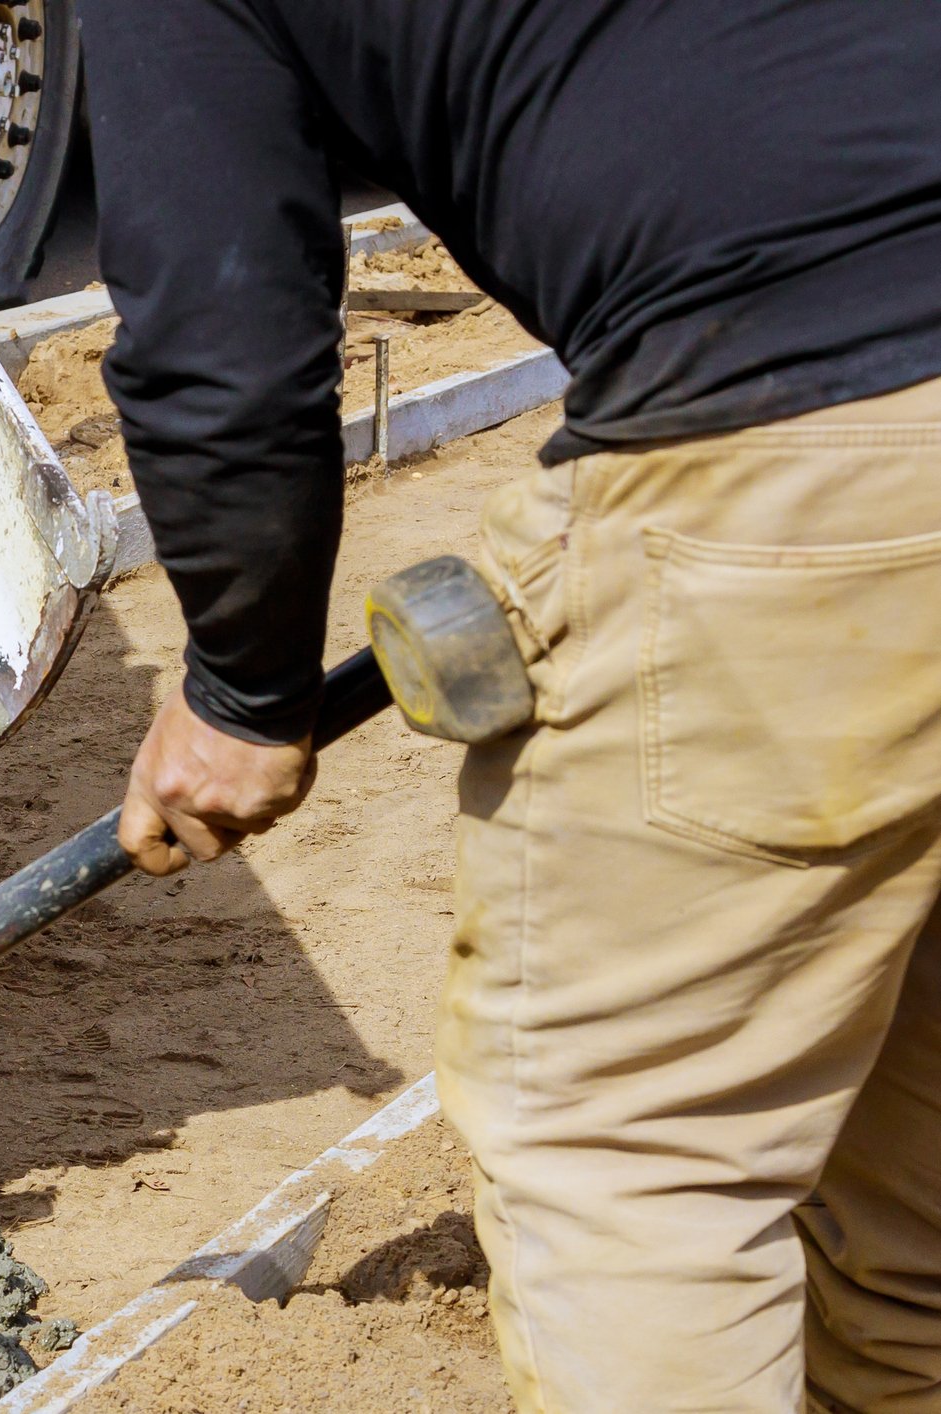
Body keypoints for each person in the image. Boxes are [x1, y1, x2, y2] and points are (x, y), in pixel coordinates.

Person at [82, 3, 941, 1409]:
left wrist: (242, 691)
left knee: (630, 1145)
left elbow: (222, 332)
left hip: (794, 429)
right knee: (911, 1152)